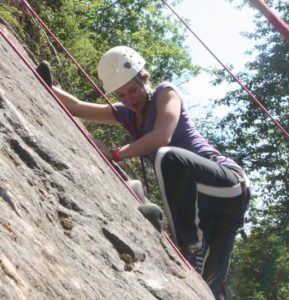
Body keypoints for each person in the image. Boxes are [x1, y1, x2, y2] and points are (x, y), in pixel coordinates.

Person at [36, 46, 250, 299]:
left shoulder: (166, 93)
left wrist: (116, 154)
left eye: (133, 90)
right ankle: (194, 251)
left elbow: (162, 136)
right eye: (121, 95)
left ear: (144, 78)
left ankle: (190, 245)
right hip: (210, 214)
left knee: (167, 156)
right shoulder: (127, 114)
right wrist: (47, 86)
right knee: (208, 289)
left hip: (228, 184)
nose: (129, 99)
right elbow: (80, 108)